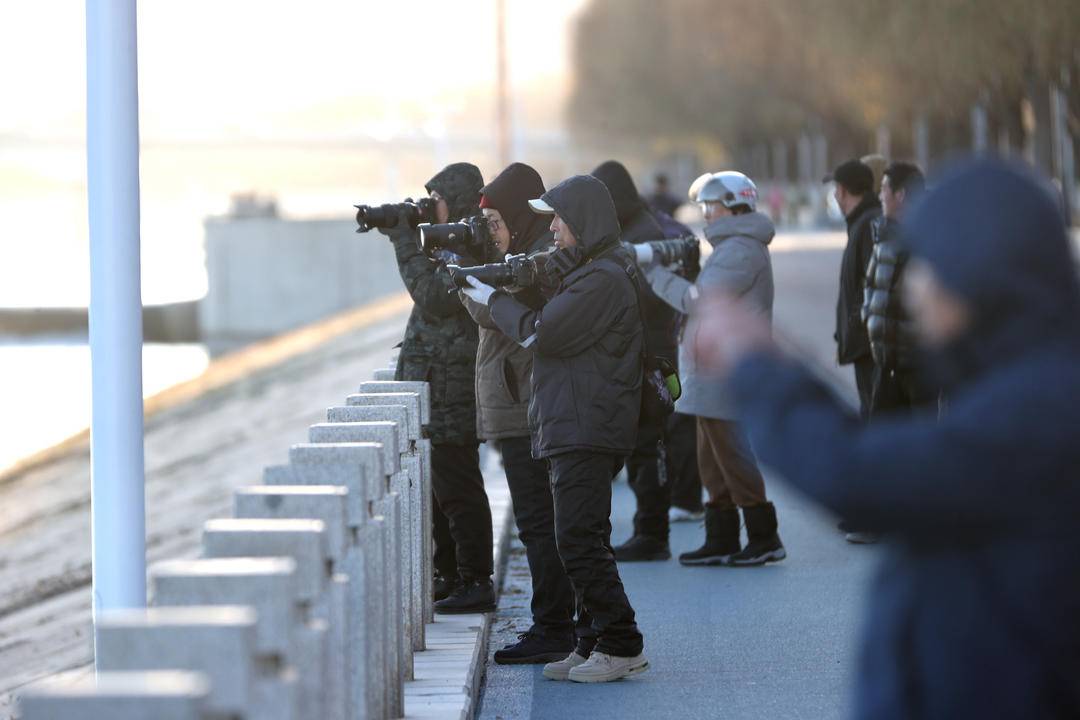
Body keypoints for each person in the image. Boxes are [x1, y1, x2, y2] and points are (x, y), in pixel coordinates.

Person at [688, 157, 1080, 719]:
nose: (915, 292)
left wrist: (756, 366)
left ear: (982, 276)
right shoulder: (1020, 381)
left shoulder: (1040, 406)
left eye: (930, 270)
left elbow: (853, 471)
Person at [463, 174, 648, 683]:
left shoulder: (601, 279)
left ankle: (620, 641)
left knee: (576, 539)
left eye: (561, 220)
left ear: (583, 221)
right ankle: (591, 642)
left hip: (586, 423)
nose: (555, 229)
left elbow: (542, 333)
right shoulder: (590, 270)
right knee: (582, 536)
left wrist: (492, 297)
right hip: (575, 419)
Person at [632, 171, 785, 567]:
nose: (705, 215)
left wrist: (653, 273)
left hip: (725, 368)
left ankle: (764, 537)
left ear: (734, 206)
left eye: (710, 207)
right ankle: (722, 537)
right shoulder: (732, 246)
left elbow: (698, 300)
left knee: (732, 454)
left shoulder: (740, 249)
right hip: (712, 368)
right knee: (711, 458)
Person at [458, 162, 578, 663]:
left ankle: (554, 629)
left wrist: (468, 277)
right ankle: (556, 624)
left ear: (517, 215)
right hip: (515, 405)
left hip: (525, 406)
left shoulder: (536, 264)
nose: (491, 233)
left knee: (540, 523)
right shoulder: (522, 257)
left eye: (495, 222)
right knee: (540, 523)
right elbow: (487, 309)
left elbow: (504, 316)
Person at [380, 162, 495, 614]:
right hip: (440, 380)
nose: (432, 207)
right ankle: (449, 573)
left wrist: (404, 239)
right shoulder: (457, 243)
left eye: (438, 200)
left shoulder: (470, 249)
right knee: (441, 488)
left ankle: (475, 579)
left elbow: (432, 296)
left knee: (458, 485)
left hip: (455, 383)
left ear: (460, 201)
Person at [591, 159, 698, 561]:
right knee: (640, 448)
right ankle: (648, 530)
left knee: (647, 448)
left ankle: (652, 535)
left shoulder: (642, 237)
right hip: (643, 353)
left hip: (650, 357)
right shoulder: (634, 227)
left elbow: (651, 298)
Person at [863, 161, 934, 416]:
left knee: (924, 445)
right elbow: (869, 284)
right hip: (886, 364)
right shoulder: (882, 234)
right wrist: (870, 319)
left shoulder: (931, 237)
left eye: (884, 189)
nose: (880, 196)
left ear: (900, 195)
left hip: (920, 369)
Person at [825, 159, 882, 418]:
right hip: (863, 343)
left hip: (870, 348)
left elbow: (875, 287)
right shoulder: (860, 224)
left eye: (836, 189)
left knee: (875, 416)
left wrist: (856, 325)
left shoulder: (868, 225)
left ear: (844, 191)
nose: (835, 195)